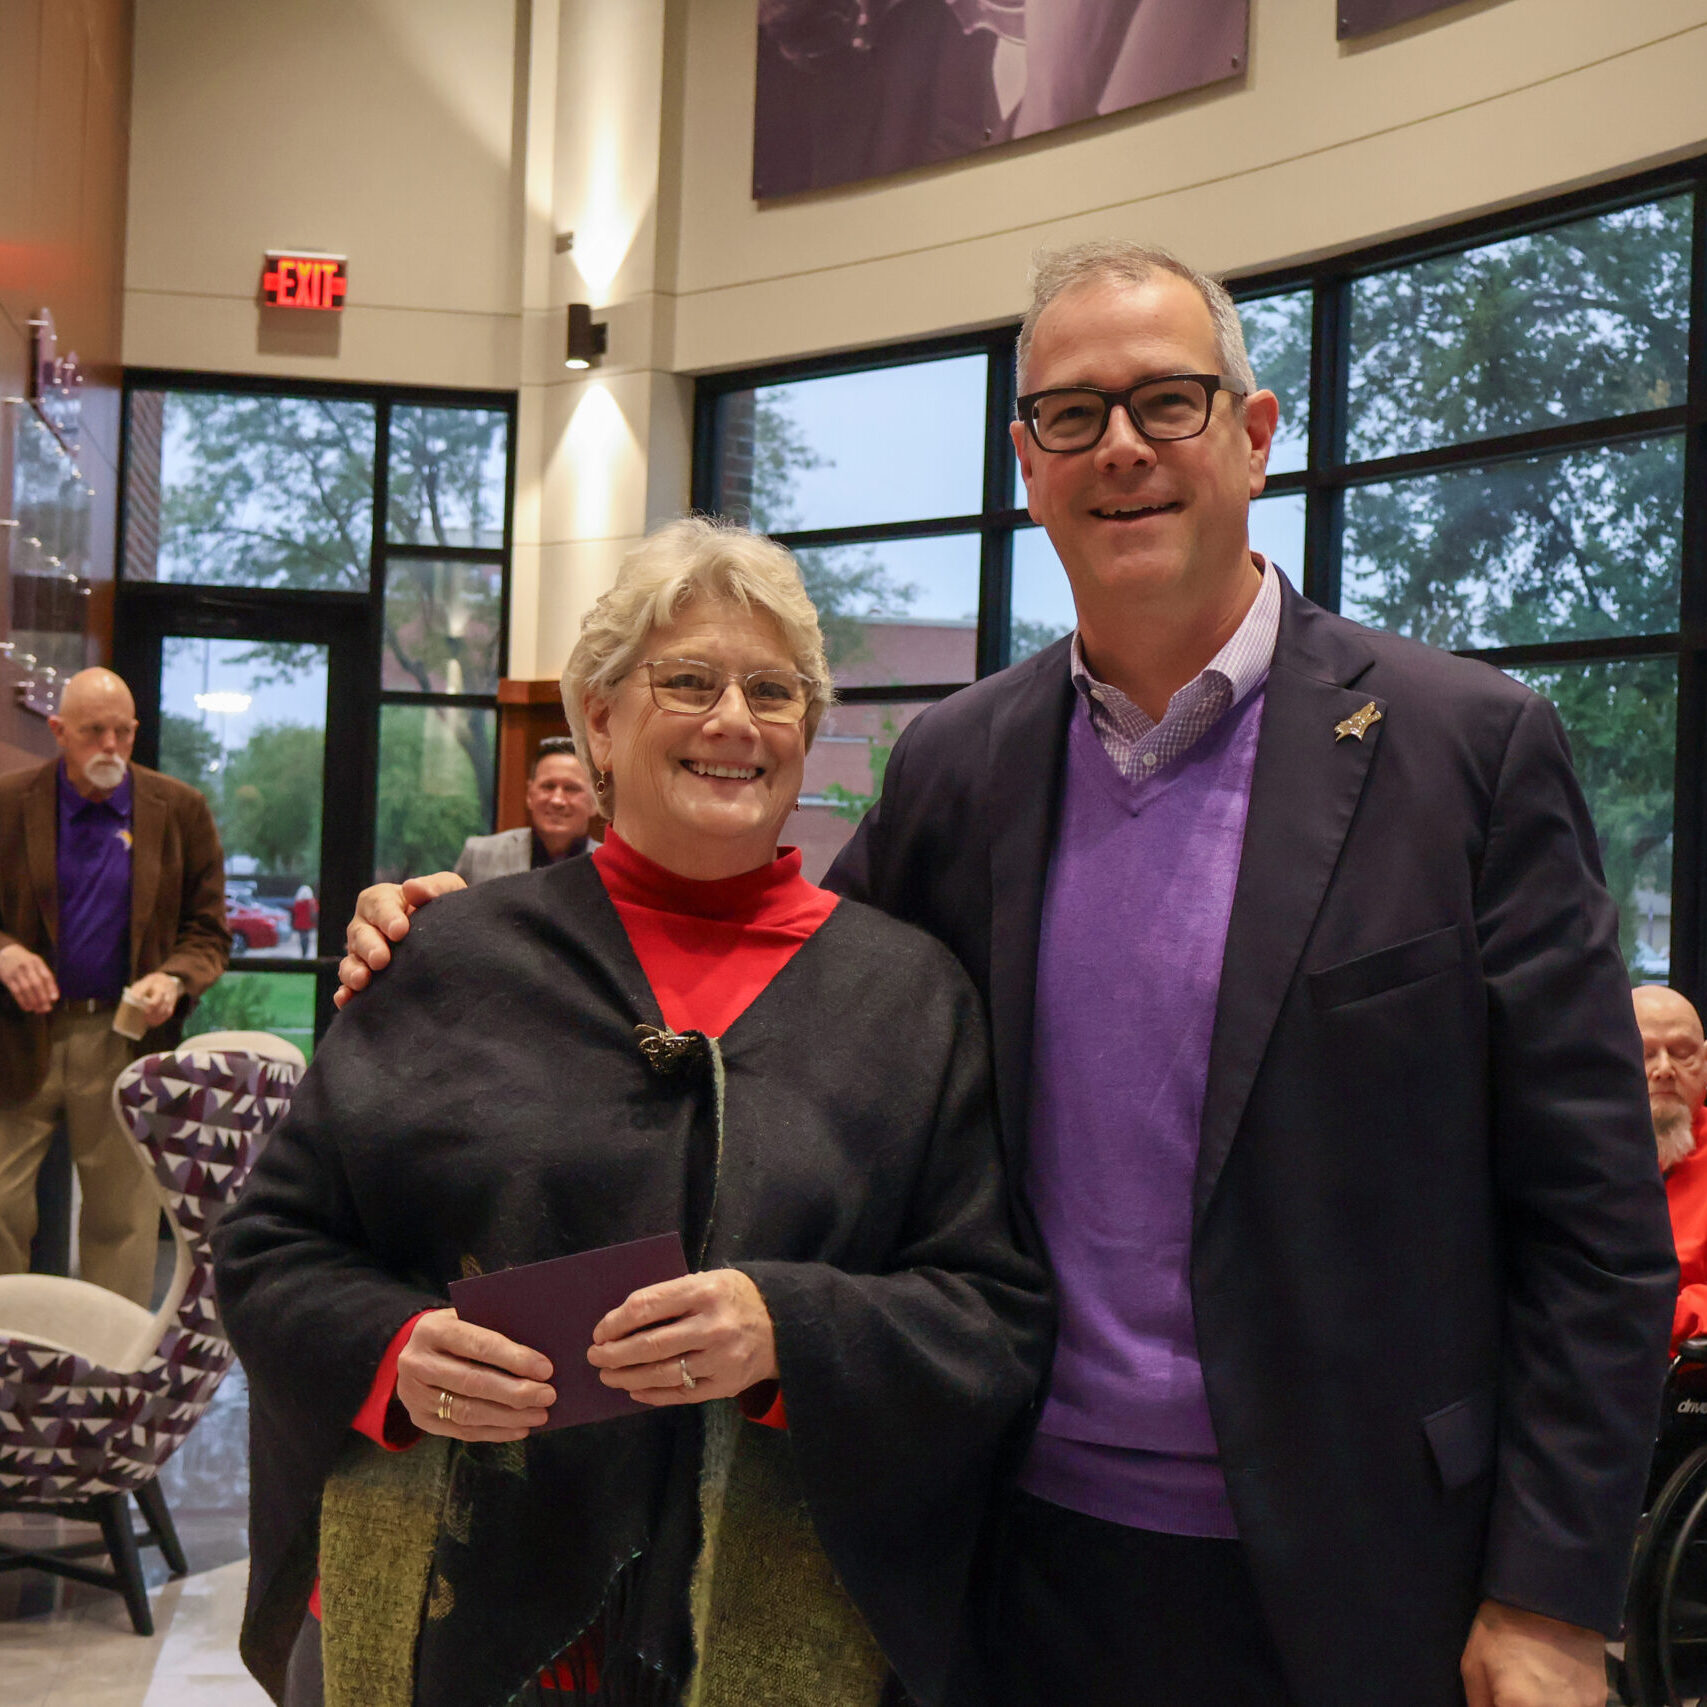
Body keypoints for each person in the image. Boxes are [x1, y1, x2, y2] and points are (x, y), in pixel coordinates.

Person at [342, 243, 1677, 1707]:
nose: (1118, 449)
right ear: (1024, 466)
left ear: (1251, 433)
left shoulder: (1465, 749)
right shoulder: (959, 766)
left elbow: (1590, 1217)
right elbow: (760, 993)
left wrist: (1548, 1592)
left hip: (1372, 1569)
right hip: (1010, 1550)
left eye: (1166, 402)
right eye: (1068, 414)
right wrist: (464, 947)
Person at [215, 518, 1049, 1707]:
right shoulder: (446, 956)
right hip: (459, 1614)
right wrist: (394, 1355)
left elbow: (993, 1316)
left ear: (806, 735)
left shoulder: (911, 997)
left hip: (775, 1629)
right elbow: (267, 1249)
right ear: (598, 719)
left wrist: (787, 1336)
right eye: (689, 682)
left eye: (774, 692)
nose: (733, 722)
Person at [0, 667, 229, 1305]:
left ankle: (109, 1371)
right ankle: (9, 1363)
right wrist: (5, 952)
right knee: (0, 1207)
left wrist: (173, 977)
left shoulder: (179, 810)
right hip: (19, 1036)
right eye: (92, 731)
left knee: (121, 1217)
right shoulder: (10, 802)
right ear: (58, 731)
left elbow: (209, 931)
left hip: (124, 1038)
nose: (109, 746)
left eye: (121, 732)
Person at [1635, 983, 1707, 1354]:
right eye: (1644, 1053)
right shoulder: (1571, 1158)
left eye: (1681, 1053)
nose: (1664, 1069)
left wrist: (1653, 1312)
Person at [452, 735, 595, 885]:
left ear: (595, 803)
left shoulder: (611, 865)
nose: (557, 800)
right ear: (529, 795)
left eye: (571, 789)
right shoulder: (479, 854)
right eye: (548, 786)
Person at [291, 884, 318, 956]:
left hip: (300, 923)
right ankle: (306, 952)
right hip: (308, 923)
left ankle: (303, 952)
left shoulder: (298, 902)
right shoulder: (312, 902)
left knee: (302, 938)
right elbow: (316, 911)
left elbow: (296, 912)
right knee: (307, 938)